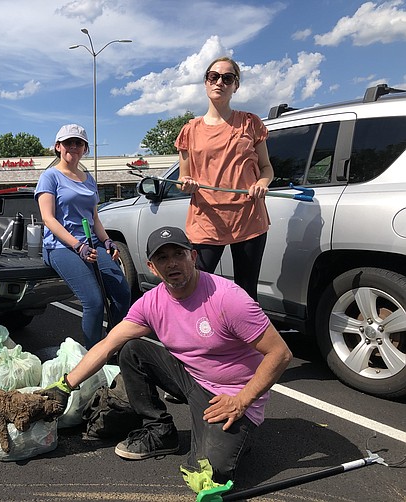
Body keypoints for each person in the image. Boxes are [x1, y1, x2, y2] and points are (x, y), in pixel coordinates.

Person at [39, 226, 292, 484]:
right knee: (131, 349)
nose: (172, 264)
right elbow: (107, 346)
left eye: (178, 254)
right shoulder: (152, 303)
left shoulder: (228, 298)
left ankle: (236, 435)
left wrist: (242, 400)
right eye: (162, 258)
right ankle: (160, 431)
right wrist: (64, 386)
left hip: (231, 394)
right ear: (152, 267)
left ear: (193, 257)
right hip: (191, 380)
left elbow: (280, 353)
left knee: (210, 474)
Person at [175, 56, 274, 301]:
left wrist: (262, 183)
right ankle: (205, 337)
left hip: (248, 219)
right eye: (214, 76)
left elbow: (267, 168)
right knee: (197, 288)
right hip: (207, 221)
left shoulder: (250, 123)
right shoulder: (190, 130)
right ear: (206, 82)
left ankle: (244, 339)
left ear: (235, 85)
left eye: (227, 78)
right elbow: (182, 179)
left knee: (246, 293)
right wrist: (186, 185)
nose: (220, 82)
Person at [35, 124, 131, 348]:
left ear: (85, 148)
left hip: (91, 244)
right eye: (68, 143)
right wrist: (78, 246)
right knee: (94, 302)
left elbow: (94, 218)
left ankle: (112, 346)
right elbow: (49, 219)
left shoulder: (88, 179)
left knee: (122, 293)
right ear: (58, 147)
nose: (73, 147)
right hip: (60, 247)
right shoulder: (50, 177)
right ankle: (93, 356)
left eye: (79, 143)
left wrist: (106, 240)